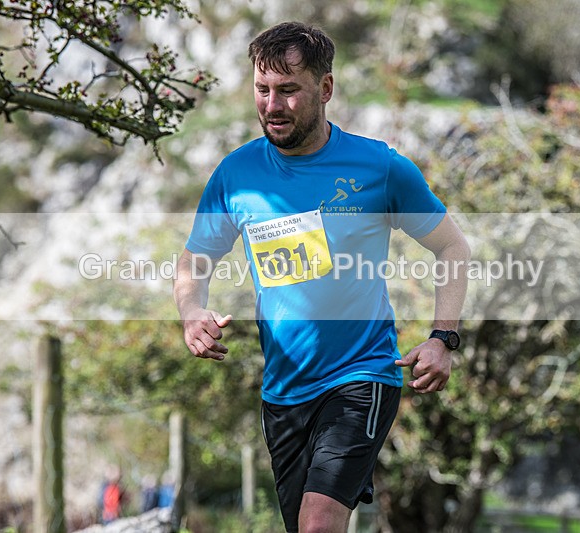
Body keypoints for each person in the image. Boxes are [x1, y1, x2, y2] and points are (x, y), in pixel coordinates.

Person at [173, 21, 470, 533]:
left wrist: (443, 337)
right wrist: (190, 309)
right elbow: (194, 259)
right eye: (263, 90)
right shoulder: (236, 174)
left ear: (325, 89)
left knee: (317, 527)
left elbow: (452, 246)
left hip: (362, 374)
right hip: (284, 393)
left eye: (288, 91)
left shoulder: (379, 167)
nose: (272, 105)